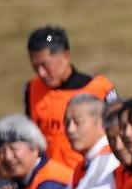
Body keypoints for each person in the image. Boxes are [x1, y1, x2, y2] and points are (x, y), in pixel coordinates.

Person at [23, 25, 116, 170]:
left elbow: (117, 133)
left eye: (46, 65)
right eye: (35, 66)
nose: (41, 73)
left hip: (90, 175)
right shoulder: (32, 89)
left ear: (65, 56)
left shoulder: (99, 88)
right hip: (50, 179)